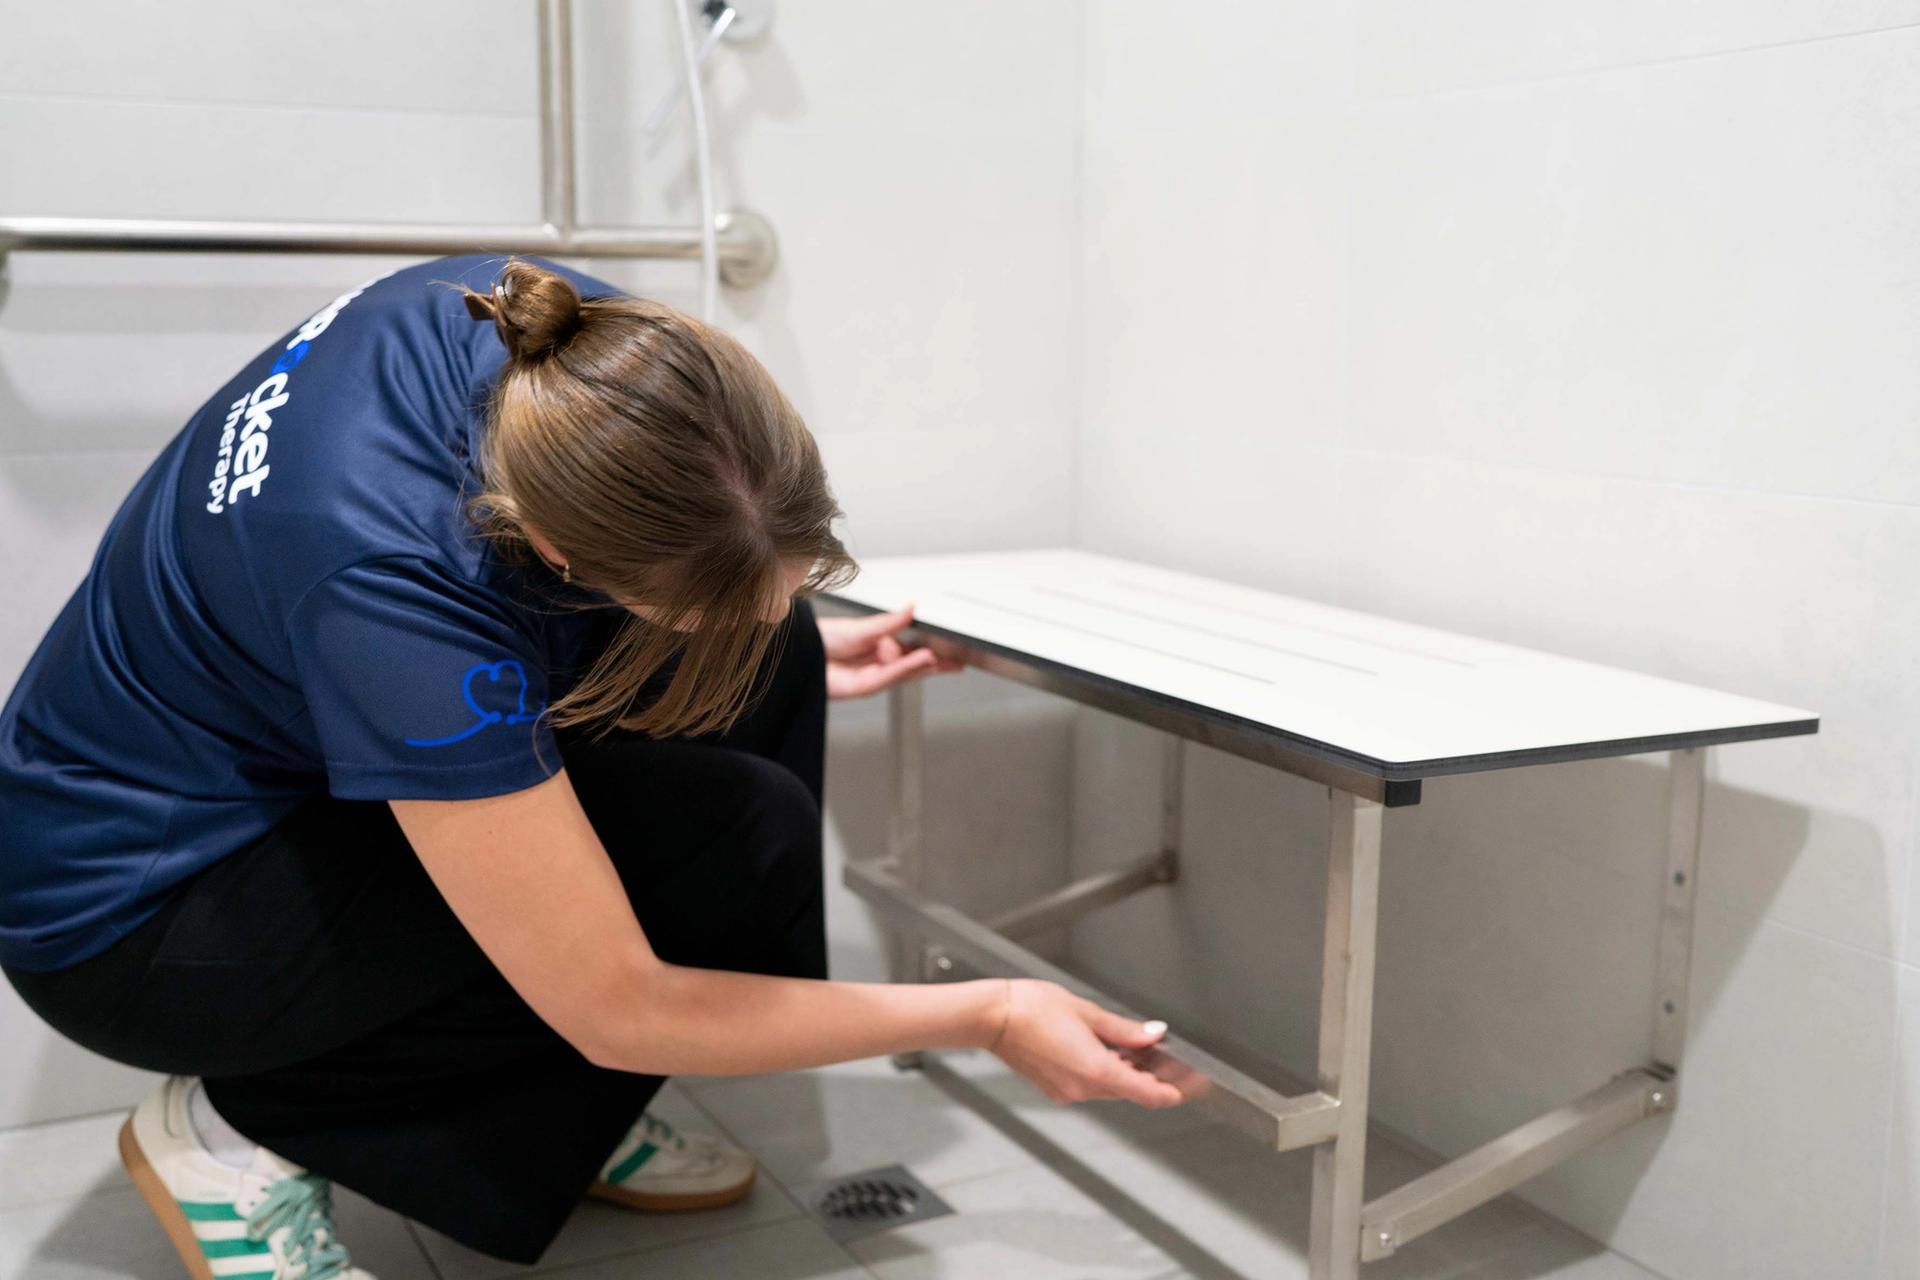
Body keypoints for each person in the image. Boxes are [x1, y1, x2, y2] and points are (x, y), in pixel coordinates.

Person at [0, 254, 1183, 1278]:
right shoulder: (395, 596)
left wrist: (797, 633)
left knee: (771, 660)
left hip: (257, 770)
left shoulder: (564, 343)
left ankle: (558, 1112)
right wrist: (988, 1009)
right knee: (737, 837)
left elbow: (707, 565)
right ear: (555, 544)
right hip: (137, 913)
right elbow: (620, 1002)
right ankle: (243, 1134)